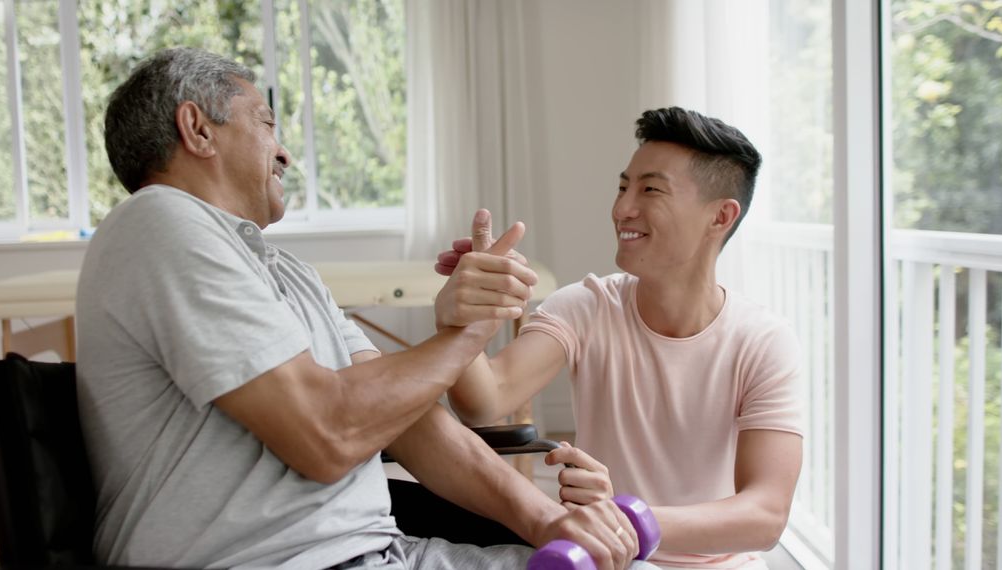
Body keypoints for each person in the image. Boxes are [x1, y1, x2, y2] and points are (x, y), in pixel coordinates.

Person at [76, 47, 656, 570]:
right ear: (198, 129)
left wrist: (547, 519)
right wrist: (465, 333)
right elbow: (325, 435)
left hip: (382, 551)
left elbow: (412, 423)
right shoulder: (161, 222)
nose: (284, 152)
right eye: (267, 123)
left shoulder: (288, 272)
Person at [437, 107, 804, 569]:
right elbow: (483, 401)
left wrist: (626, 517)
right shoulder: (586, 306)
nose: (621, 208)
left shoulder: (764, 342)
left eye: (650, 189)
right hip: (607, 560)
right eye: (622, 186)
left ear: (720, 217)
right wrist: (463, 324)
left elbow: (766, 515)